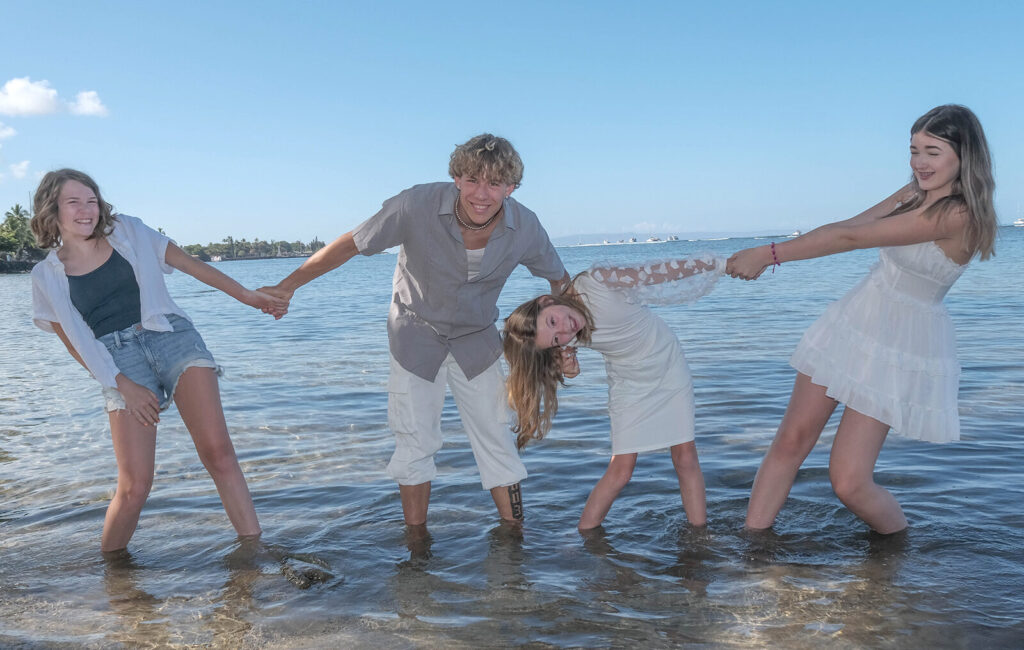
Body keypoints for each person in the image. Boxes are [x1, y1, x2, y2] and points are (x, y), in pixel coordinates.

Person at [261, 134, 569, 526]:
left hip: (476, 337)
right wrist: (287, 286)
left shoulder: (525, 227)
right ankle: (417, 546)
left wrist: (567, 346)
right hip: (415, 332)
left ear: (511, 187)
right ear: (456, 178)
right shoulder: (415, 205)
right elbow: (352, 244)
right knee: (415, 442)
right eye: (473, 180)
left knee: (498, 436)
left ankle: (516, 537)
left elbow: (561, 282)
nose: (482, 194)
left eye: (494, 184)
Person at [726, 105, 997, 534]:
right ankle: (751, 545)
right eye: (914, 150)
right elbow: (851, 224)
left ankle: (897, 549)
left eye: (933, 152)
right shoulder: (913, 193)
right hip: (855, 320)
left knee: (849, 481)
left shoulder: (957, 215)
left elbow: (851, 238)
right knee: (790, 441)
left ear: (965, 157)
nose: (920, 162)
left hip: (900, 342)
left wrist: (769, 254)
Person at [30, 168, 285, 553]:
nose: (86, 210)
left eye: (92, 200)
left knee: (218, 453)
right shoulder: (45, 276)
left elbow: (190, 265)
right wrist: (122, 384)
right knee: (134, 486)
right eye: (74, 202)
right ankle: (112, 572)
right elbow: (76, 344)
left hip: (171, 337)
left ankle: (256, 553)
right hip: (116, 361)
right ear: (52, 209)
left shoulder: (128, 230)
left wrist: (248, 296)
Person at [502, 255, 722, 529]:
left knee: (685, 456)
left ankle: (699, 535)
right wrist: (568, 366)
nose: (565, 330)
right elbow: (567, 365)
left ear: (546, 300)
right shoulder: (561, 334)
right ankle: (582, 535)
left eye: (553, 322)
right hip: (628, 381)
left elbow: (660, 272)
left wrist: (720, 264)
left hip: (666, 363)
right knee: (621, 469)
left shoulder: (595, 283)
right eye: (556, 338)